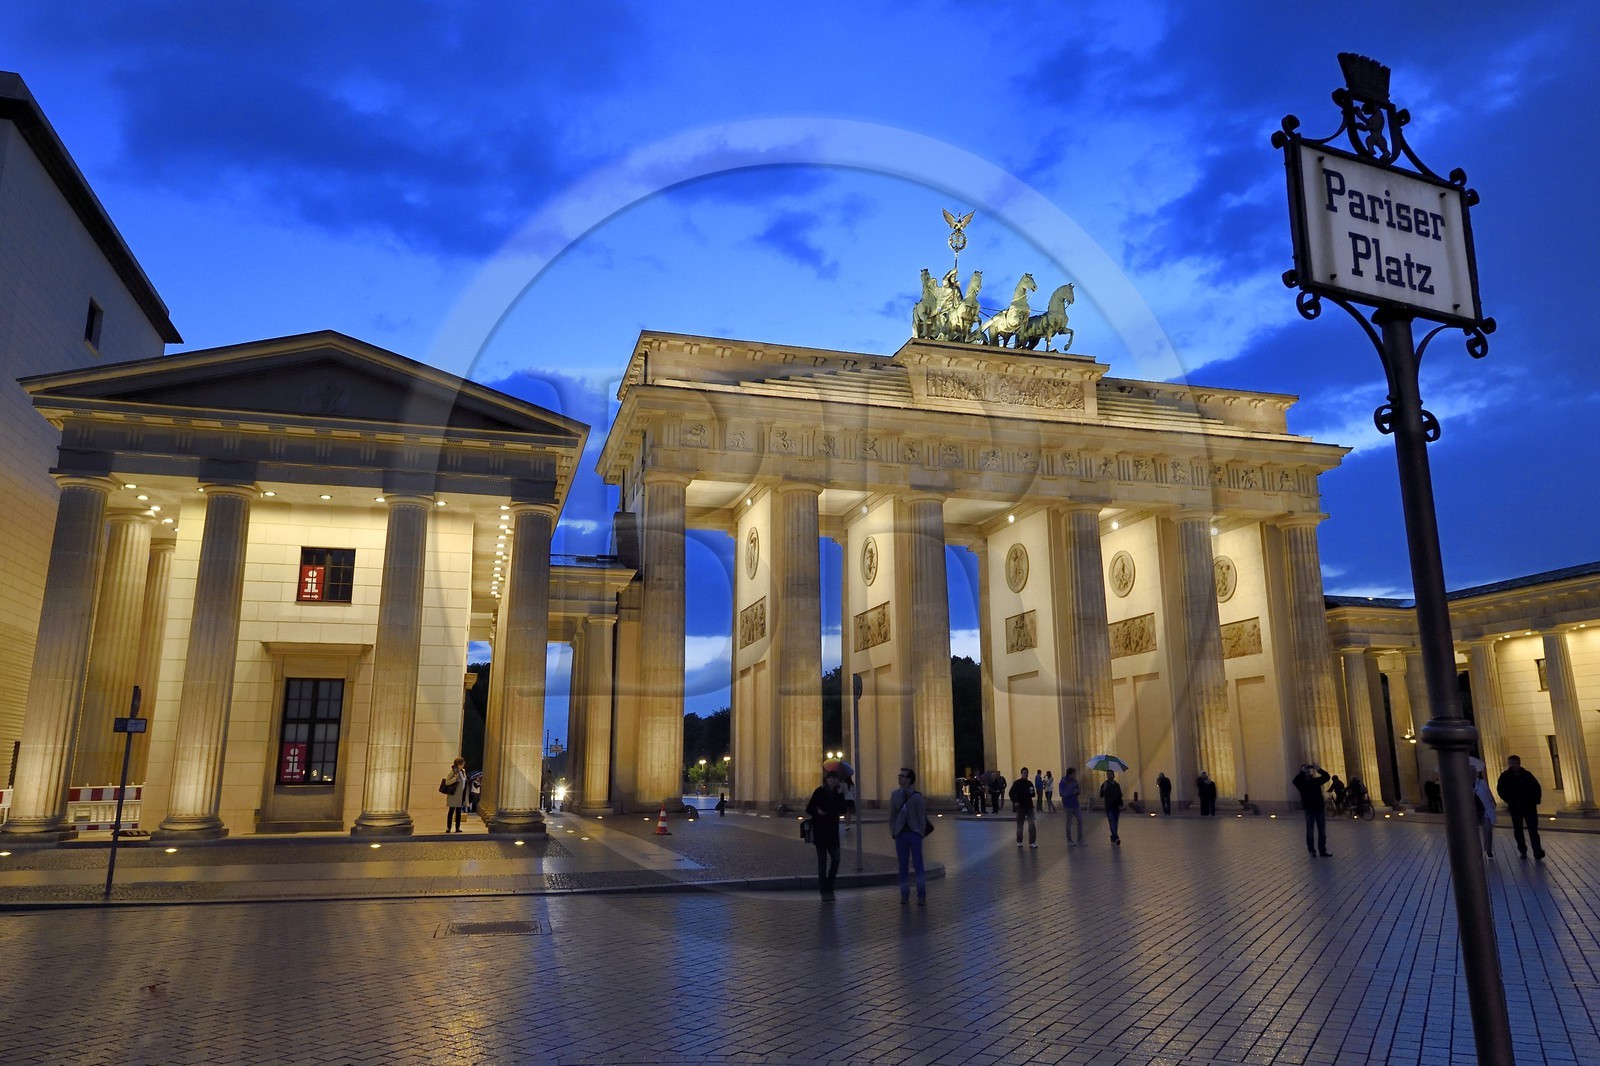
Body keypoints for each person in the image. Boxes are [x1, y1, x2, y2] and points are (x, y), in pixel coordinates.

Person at [805, 769, 850, 902]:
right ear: (827, 779)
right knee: (822, 864)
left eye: (836, 778)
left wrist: (843, 795)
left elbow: (843, 809)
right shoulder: (819, 792)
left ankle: (829, 885)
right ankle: (824, 891)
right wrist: (818, 811)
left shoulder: (838, 793)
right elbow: (809, 808)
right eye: (832, 778)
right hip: (820, 832)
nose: (834, 780)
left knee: (836, 859)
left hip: (833, 832)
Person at [889, 767, 928, 904]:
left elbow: (922, 815)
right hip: (900, 834)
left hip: (914, 833)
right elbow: (892, 815)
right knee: (903, 866)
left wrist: (921, 832)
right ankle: (904, 894)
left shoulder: (916, 796)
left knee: (918, 865)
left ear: (910, 779)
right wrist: (893, 831)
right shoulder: (895, 795)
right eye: (900, 775)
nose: (900, 778)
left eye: (903, 776)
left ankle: (921, 894)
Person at [1496, 755, 1545, 861]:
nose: (1514, 765)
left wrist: (1536, 800)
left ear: (1519, 763)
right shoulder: (1505, 777)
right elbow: (1501, 790)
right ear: (1509, 764)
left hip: (1529, 806)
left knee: (1533, 830)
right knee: (1518, 830)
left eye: (1516, 763)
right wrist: (1509, 800)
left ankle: (1537, 851)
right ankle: (1522, 850)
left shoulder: (1527, 775)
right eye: (1512, 763)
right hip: (1515, 807)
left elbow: (1536, 787)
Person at [1292, 762, 1333, 857]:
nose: (1307, 771)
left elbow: (1327, 777)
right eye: (1305, 769)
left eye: (1308, 769)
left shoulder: (1315, 781)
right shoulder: (1301, 783)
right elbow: (1295, 781)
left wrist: (1318, 769)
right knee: (1310, 831)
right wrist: (1301, 772)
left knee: (1322, 831)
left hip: (1319, 808)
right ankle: (1312, 850)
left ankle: (1322, 850)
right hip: (1309, 809)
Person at [1010, 766, 1038, 848]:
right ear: (1021, 774)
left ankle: (1032, 842)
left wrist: (1031, 792)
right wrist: (1015, 802)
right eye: (1024, 773)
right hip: (1021, 806)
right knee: (1020, 825)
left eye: (1027, 773)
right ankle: (1019, 841)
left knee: (1031, 824)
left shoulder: (1029, 783)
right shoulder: (1017, 783)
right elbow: (1011, 793)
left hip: (1029, 806)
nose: (1026, 774)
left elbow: (1033, 794)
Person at [1472, 771, 1497, 858]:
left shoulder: (1482, 783)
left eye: (1473, 772)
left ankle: (1488, 849)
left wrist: (1493, 804)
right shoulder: (1464, 784)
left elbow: (1488, 794)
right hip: (1472, 812)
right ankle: (1476, 850)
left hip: (1484, 810)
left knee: (1488, 830)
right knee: (1473, 833)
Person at [444, 756, 469, 833]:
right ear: (459, 764)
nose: (464, 764)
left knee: (458, 812)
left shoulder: (463, 771)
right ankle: (449, 827)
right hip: (454, 794)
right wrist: (455, 778)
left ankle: (457, 827)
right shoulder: (453, 771)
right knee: (451, 811)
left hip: (461, 794)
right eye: (462, 763)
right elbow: (447, 782)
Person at [1060, 767, 1083, 845]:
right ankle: (1069, 839)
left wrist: (1078, 791)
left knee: (1080, 820)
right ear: (1070, 774)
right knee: (1069, 822)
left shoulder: (1075, 781)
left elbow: (1078, 790)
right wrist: (1071, 792)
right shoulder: (1064, 781)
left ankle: (1080, 839)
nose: (1075, 775)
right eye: (1074, 773)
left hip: (1075, 803)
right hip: (1068, 804)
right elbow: (1062, 793)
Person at [1099, 771, 1123, 845]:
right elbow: (1101, 795)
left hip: (1116, 806)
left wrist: (1121, 804)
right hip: (1109, 806)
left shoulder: (1116, 785)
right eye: (1109, 775)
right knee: (1112, 821)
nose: (1110, 776)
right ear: (1107, 776)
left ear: (1114, 776)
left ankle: (1113, 837)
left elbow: (1120, 795)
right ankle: (1115, 838)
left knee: (1115, 823)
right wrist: (1104, 788)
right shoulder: (1104, 785)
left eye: (1111, 774)